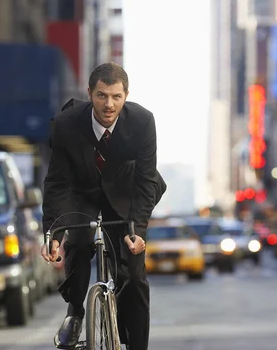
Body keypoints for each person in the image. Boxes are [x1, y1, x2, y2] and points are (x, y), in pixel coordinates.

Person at [41, 62, 167, 350]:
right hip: (81, 192)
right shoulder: (65, 125)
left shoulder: (143, 121)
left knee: (133, 275)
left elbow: (147, 180)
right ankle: (75, 311)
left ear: (126, 96)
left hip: (126, 193)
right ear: (89, 93)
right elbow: (57, 183)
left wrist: (139, 231)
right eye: (101, 95)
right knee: (80, 243)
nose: (109, 105)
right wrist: (53, 235)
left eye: (116, 96)